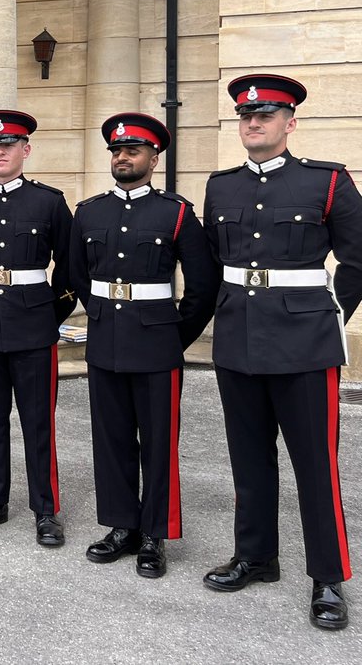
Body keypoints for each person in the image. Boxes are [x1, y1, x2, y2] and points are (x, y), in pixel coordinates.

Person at [202, 74, 362, 630]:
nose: (253, 123)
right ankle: (256, 556)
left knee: (316, 466)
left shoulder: (328, 182)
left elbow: (357, 259)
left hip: (304, 346)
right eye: (246, 115)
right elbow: (212, 263)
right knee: (248, 458)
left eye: (266, 115)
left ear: (289, 123)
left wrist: (326, 313)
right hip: (238, 340)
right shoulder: (221, 188)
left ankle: (328, 578)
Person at [70, 113, 217, 578]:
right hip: (105, 340)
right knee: (111, 440)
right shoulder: (89, 211)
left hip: (157, 343)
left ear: (154, 158)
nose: (123, 157)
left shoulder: (175, 212)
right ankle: (121, 526)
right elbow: (76, 274)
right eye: (117, 150)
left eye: (133, 150)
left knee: (158, 443)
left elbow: (203, 286)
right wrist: (94, 316)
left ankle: (155, 533)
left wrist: (175, 336)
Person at [0, 110, 76, 546]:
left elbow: (70, 266)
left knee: (37, 422)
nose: (0, 151)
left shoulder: (49, 202)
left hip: (33, 326)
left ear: (26, 149)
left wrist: (49, 313)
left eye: (8, 144)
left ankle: (45, 509)